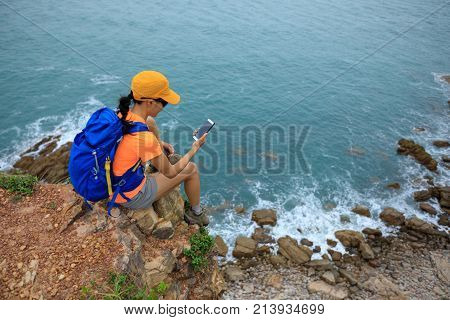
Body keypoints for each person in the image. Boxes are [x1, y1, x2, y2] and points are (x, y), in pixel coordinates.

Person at [112, 70, 209, 226]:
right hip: (129, 195)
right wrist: (195, 148)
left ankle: (157, 157)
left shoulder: (119, 115)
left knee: (149, 121)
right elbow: (170, 173)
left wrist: (159, 143)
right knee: (191, 169)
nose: (164, 107)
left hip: (112, 180)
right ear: (150, 102)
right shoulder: (144, 138)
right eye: (164, 102)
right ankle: (196, 213)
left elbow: (145, 128)